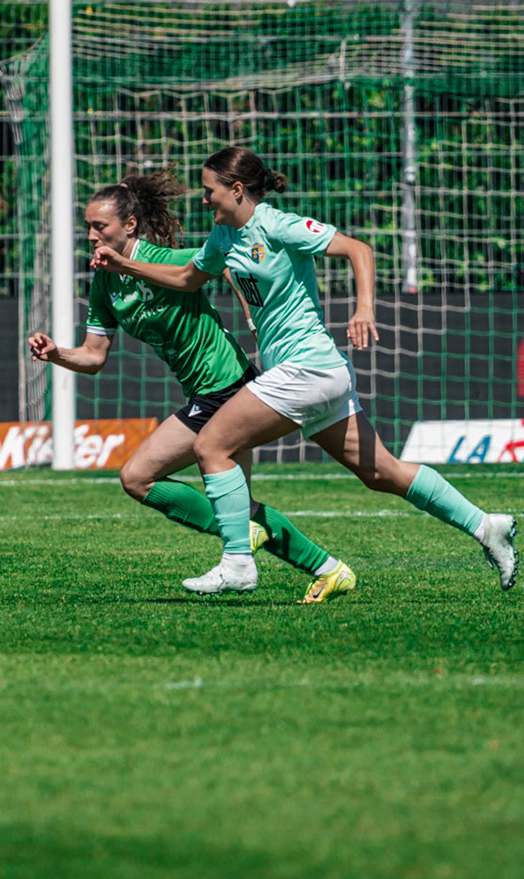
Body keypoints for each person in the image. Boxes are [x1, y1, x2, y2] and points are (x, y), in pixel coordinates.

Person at [90, 146, 516, 596]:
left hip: (308, 367)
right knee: (381, 473)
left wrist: (364, 308)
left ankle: (237, 562)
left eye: (209, 190)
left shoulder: (276, 224)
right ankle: (486, 526)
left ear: (236, 190)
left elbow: (358, 249)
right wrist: (124, 264)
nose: (204, 199)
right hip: (306, 375)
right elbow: (185, 280)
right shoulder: (222, 239)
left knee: (212, 445)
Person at [28, 171, 356, 602]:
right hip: (207, 393)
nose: (90, 235)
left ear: (129, 226)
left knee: (137, 477)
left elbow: (233, 264)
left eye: (99, 226)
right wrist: (56, 354)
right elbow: (93, 356)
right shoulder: (106, 281)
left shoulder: (168, 260)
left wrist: (255, 318)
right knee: (242, 505)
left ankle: (246, 540)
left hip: (227, 387)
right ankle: (329, 569)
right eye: (87, 227)